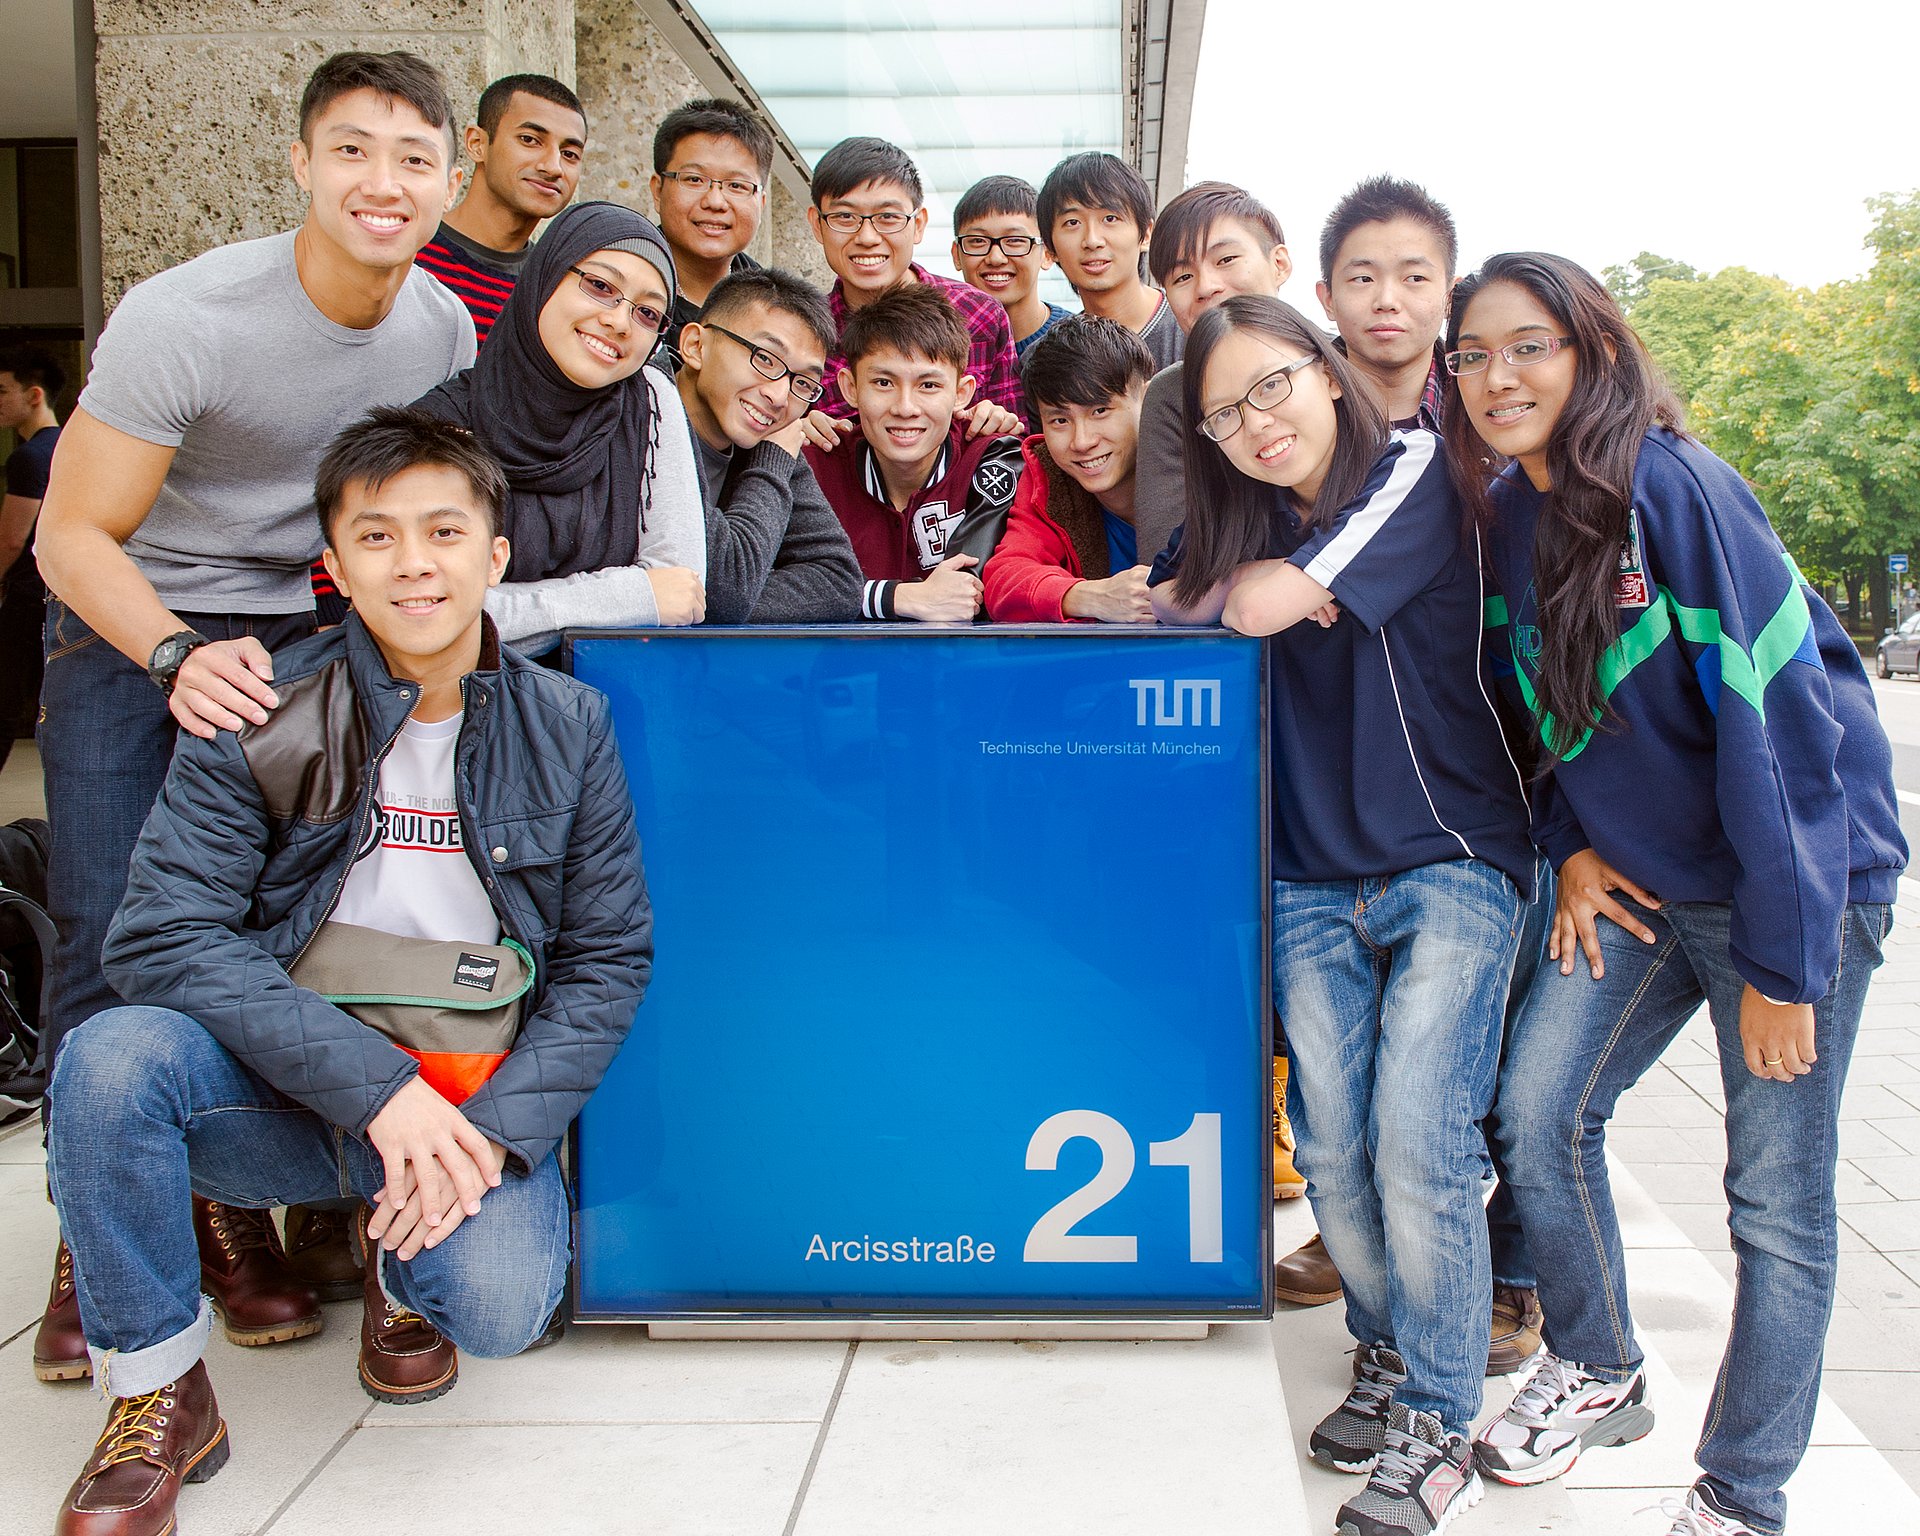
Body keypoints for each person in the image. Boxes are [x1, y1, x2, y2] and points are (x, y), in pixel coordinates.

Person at [45, 406, 652, 1536]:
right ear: (333, 566)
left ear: (495, 554)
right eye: (376, 538)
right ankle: (158, 1395)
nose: (414, 564)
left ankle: (396, 1249)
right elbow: (161, 933)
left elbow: (608, 959)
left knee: (503, 1306)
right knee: (110, 1059)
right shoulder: (260, 706)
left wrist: (496, 1128)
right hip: (292, 1091)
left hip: (467, 1101)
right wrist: (380, 1093)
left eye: (442, 532)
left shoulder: (570, 722)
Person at [30, 49, 476, 1382]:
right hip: (134, 621)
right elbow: (67, 534)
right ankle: (94, 1236)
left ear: (449, 182)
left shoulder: (440, 329)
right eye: (351, 150)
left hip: (308, 636)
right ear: (299, 163)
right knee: (109, 934)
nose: (380, 183)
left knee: (310, 924)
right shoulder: (192, 316)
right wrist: (172, 653)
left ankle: (251, 1201)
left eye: (411, 158)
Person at [1451, 252, 1906, 1536]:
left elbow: (1783, 732)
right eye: (1474, 355)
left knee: (1775, 1203)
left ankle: (1743, 1494)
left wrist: (1783, 963)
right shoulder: (1510, 519)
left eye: (1528, 345)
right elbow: (1528, 713)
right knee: (1537, 1112)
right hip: (1651, 885)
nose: (1499, 376)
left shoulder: (1675, 488)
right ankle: (1599, 1365)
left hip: (1799, 892)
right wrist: (1572, 840)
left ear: (1593, 351)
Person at [1150, 295, 1534, 1536]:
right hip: (1307, 871)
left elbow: (1251, 607)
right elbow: (1155, 601)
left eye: (1270, 387)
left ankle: (1438, 1417)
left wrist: (1266, 590)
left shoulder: (1417, 459)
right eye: (1222, 413)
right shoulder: (1239, 522)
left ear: (1323, 371)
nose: (1254, 424)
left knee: (1421, 1142)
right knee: (1329, 1147)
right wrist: (1228, 587)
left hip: (1451, 857)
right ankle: (1384, 1346)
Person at [408, 201, 708, 652]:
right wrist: (633, 596)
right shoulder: (437, 430)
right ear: (544, 275)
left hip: (609, 703)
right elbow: (422, 610)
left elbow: (682, 591)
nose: (619, 322)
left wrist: (507, 610)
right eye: (601, 286)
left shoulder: (649, 400)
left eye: (648, 314)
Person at [804, 283, 1023, 622]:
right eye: (883, 383)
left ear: (962, 393)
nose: (905, 408)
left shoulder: (991, 459)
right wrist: (895, 597)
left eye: (929, 385)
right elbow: (773, 584)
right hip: (839, 670)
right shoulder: (815, 466)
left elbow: (967, 594)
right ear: (849, 387)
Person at [801, 136, 1026, 445]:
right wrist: (795, 430)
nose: (867, 237)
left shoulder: (979, 315)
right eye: (845, 217)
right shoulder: (802, 332)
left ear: (918, 224)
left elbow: (1021, 451)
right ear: (817, 224)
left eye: (888, 217)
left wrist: (1001, 423)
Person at [1134, 184, 1292, 620]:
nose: (1206, 287)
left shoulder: (1336, 366)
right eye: (1183, 277)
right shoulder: (1171, 396)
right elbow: (1166, 572)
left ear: (1279, 263)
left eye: (1226, 260)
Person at [674, 268, 862, 621]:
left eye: (804, 382)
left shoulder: (772, 436)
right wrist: (721, 599)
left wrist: (712, 602)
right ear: (696, 346)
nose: (779, 396)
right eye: (765, 359)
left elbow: (839, 582)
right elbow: (726, 592)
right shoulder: (649, 424)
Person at [981, 316, 1153, 624]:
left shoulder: (1192, 463)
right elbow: (1005, 578)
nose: (1082, 441)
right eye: (1060, 420)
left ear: (1149, 397)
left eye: (1100, 411)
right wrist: (1090, 597)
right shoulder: (1048, 474)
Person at [415, 74, 588, 344]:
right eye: (530, 140)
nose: (553, 167)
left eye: (569, 154)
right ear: (477, 144)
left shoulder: (554, 290)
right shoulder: (408, 254)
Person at [1317, 176, 1453, 431]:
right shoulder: (1293, 413)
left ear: (1450, 297)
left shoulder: (1487, 402)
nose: (1387, 301)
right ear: (1328, 299)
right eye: (1363, 278)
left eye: (1414, 278)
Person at [1037, 151, 1183, 372]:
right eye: (1073, 222)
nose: (1092, 240)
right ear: (1050, 248)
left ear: (1145, 234)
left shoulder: (1189, 329)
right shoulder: (1047, 360)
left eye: (1110, 218)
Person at [651, 97, 774, 350]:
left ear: (760, 203)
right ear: (657, 190)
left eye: (736, 186)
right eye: (695, 180)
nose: (716, 201)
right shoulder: (619, 294)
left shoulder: (774, 308)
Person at [0, 342, 64, 773]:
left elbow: (9, 542)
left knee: (4, 704)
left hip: (26, 602)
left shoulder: (28, 458)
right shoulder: (70, 446)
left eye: (2, 391)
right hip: (61, 600)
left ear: (34, 394)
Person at [951, 174, 1070, 362]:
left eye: (1015, 241)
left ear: (1047, 253)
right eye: (978, 241)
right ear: (956, 255)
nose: (995, 258)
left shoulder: (1074, 344)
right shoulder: (937, 342)